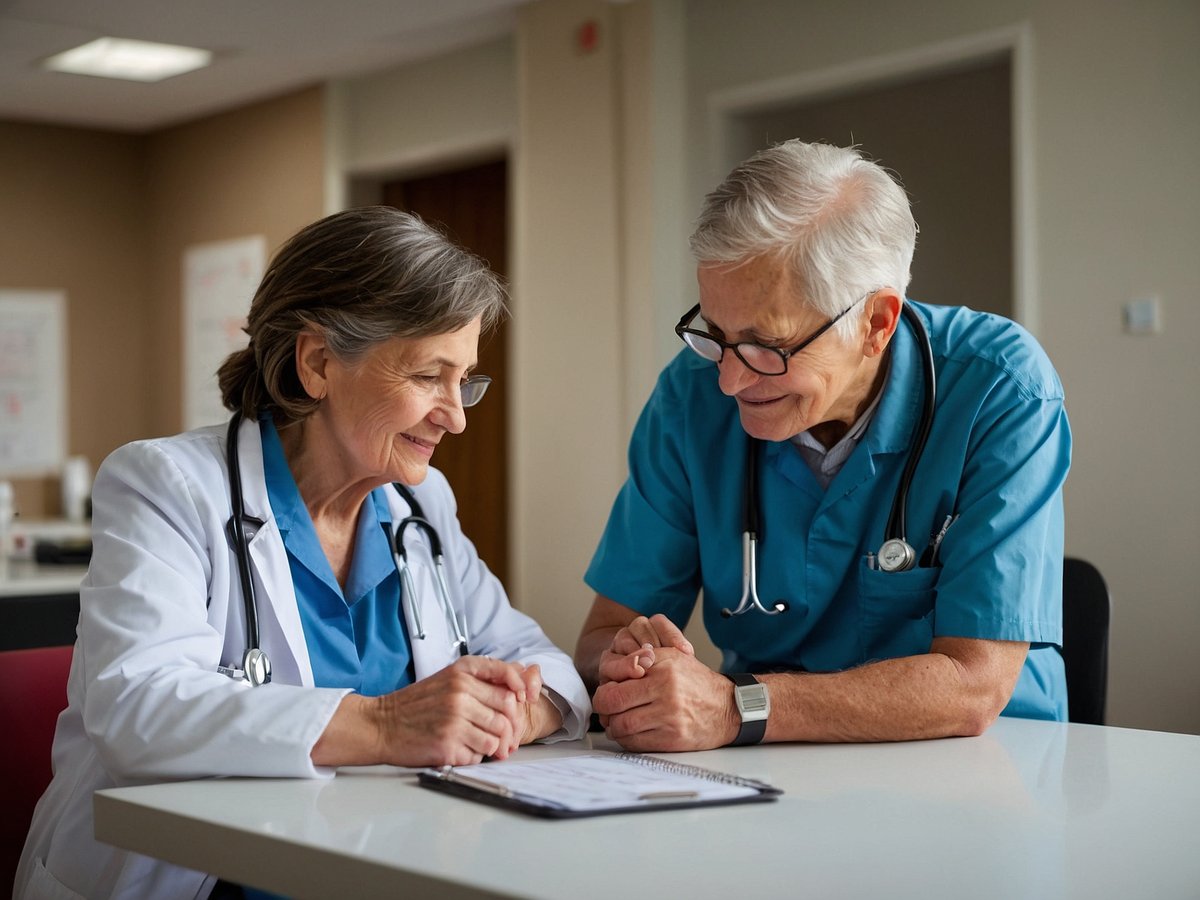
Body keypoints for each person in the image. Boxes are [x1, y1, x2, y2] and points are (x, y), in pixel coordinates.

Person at [17, 207, 589, 900]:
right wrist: (385, 725)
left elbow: (542, 662)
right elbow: (139, 709)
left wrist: (512, 714)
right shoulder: (168, 486)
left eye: (464, 379)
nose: (457, 415)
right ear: (318, 362)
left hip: (388, 869)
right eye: (428, 377)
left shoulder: (421, 506)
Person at [575, 140, 1070, 752]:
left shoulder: (1000, 388)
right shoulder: (690, 398)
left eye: (766, 346)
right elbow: (604, 633)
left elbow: (972, 685)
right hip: (773, 766)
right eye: (716, 334)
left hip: (981, 763)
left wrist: (736, 708)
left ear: (876, 323)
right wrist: (630, 664)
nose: (730, 380)